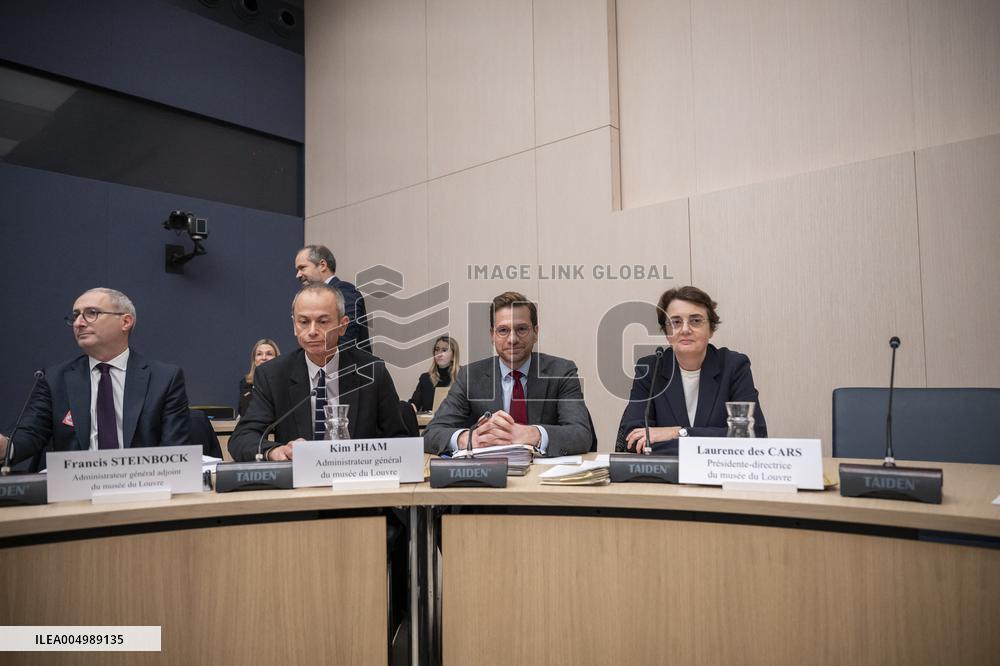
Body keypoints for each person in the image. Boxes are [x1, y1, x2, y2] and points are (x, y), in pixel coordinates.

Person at [0, 288, 190, 467]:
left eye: (91, 313)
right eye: (75, 316)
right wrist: (4, 447)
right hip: (76, 489)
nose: (78, 323)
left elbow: (175, 450)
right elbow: (29, 434)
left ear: (125, 322)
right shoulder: (54, 379)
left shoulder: (164, 378)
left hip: (143, 487)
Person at [228, 283, 406, 462]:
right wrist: (275, 451)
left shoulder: (372, 371)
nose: (312, 331)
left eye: (322, 321)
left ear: (343, 325)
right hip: (299, 484)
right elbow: (241, 439)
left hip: (357, 477)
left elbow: (399, 439)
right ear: (294, 325)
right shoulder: (273, 375)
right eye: (304, 322)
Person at [424, 291, 595, 456]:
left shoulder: (561, 372)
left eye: (521, 329)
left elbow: (581, 435)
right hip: (489, 476)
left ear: (535, 332)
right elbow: (431, 434)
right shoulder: (470, 376)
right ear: (492, 335)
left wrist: (532, 434)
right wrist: (469, 439)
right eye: (503, 330)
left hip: (546, 479)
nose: (512, 339)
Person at [617, 285, 767, 454]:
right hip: (664, 476)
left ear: (711, 329)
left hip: (718, 476)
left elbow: (754, 437)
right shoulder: (650, 369)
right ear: (666, 332)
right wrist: (715, 441)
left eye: (695, 321)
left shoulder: (734, 367)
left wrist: (678, 433)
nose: (685, 329)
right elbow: (633, 441)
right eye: (676, 322)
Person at [294, 244, 370, 351]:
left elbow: (346, 340)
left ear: (322, 265)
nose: (298, 275)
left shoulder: (344, 290)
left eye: (302, 268)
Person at [409, 335, 460, 412]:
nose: (439, 354)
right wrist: (409, 407)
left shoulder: (463, 375)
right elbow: (415, 403)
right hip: (429, 423)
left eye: (444, 350)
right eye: (437, 349)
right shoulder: (425, 378)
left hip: (456, 423)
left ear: (453, 355)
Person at [238, 338, 281, 416]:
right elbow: (243, 413)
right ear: (254, 360)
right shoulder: (246, 383)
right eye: (259, 354)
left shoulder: (285, 382)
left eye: (269, 354)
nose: (263, 358)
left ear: (277, 358)